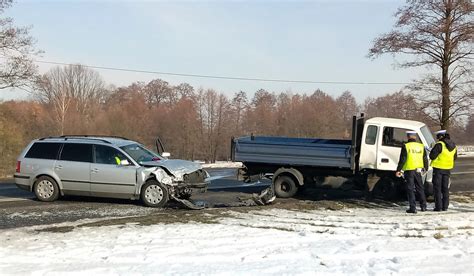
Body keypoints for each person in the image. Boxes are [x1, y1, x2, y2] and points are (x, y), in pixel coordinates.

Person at [396, 131, 428, 214]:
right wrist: (426, 168)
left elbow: (403, 159)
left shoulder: (406, 146)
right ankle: (423, 206)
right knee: (420, 188)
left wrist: (399, 170)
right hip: (418, 170)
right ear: (415, 137)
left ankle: (413, 208)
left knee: (410, 189)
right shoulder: (421, 146)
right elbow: (425, 158)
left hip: (409, 170)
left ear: (408, 137)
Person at [430, 130, 457, 211]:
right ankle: (445, 206)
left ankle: (438, 207)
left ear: (440, 137)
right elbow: (455, 157)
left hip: (438, 169)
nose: (437, 138)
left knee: (437, 188)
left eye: (437, 137)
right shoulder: (453, 146)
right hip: (447, 169)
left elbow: (432, 156)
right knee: (445, 188)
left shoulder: (439, 145)